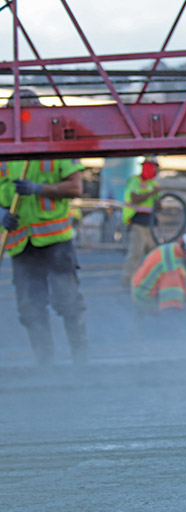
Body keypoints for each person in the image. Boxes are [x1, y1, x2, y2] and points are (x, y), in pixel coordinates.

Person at [0, 89, 89, 365]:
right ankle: (45, 364)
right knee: (30, 310)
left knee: (69, 304)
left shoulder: (57, 144)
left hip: (55, 242)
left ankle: (81, 362)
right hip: (20, 243)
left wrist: (40, 189)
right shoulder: (4, 149)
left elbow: (75, 187)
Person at [131, 231, 186, 313]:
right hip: (147, 300)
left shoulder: (177, 250)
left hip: (151, 288)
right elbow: (170, 312)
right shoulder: (173, 271)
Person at [120, 156, 164, 288]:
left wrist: (158, 199)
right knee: (135, 254)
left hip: (150, 224)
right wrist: (152, 193)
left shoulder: (152, 184)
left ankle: (153, 281)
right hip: (137, 223)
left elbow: (158, 205)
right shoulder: (135, 181)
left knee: (154, 255)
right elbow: (135, 198)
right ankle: (128, 283)